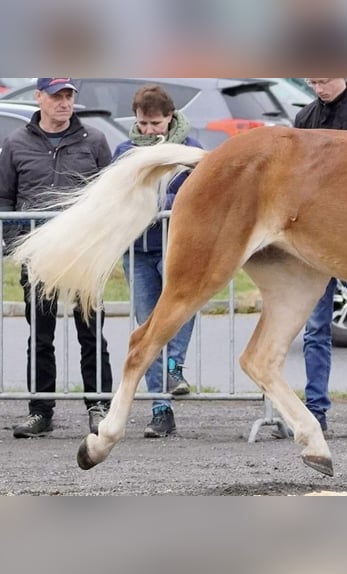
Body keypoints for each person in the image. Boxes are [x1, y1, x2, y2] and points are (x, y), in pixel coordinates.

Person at [273, 78, 347, 439]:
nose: (318, 87)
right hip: (316, 242)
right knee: (315, 330)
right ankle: (315, 410)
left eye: (324, 79)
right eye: (312, 81)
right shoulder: (305, 117)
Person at [0, 77, 113, 438]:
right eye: (56, 96)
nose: (64, 103)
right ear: (39, 98)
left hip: (84, 254)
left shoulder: (93, 140)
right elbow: (5, 196)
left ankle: (99, 406)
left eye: (68, 96)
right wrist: (15, 242)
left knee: (92, 333)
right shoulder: (15, 143)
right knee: (41, 336)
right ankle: (40, 410)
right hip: (40, 255)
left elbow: (109, 194)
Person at [112, 84, 202, 438]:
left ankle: (174, 365)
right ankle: (160, 409)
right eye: (143, 123)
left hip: (178, 246)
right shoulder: (124, 151)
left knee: (181, 309)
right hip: (137, 248)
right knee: (148, 324)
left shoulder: (191, 152)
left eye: (155, 123)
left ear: (170, 117)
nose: (149, 130)